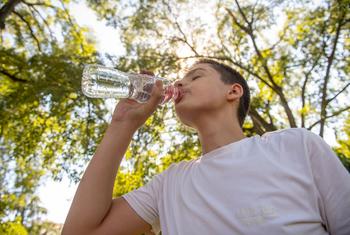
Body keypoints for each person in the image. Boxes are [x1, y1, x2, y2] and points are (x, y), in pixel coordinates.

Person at [62, 59, 350, 235]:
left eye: (195, 76)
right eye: (180, 79)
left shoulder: (294, 145)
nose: (179, 83)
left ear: (233, 91)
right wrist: (121, 124)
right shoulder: (169, 185)